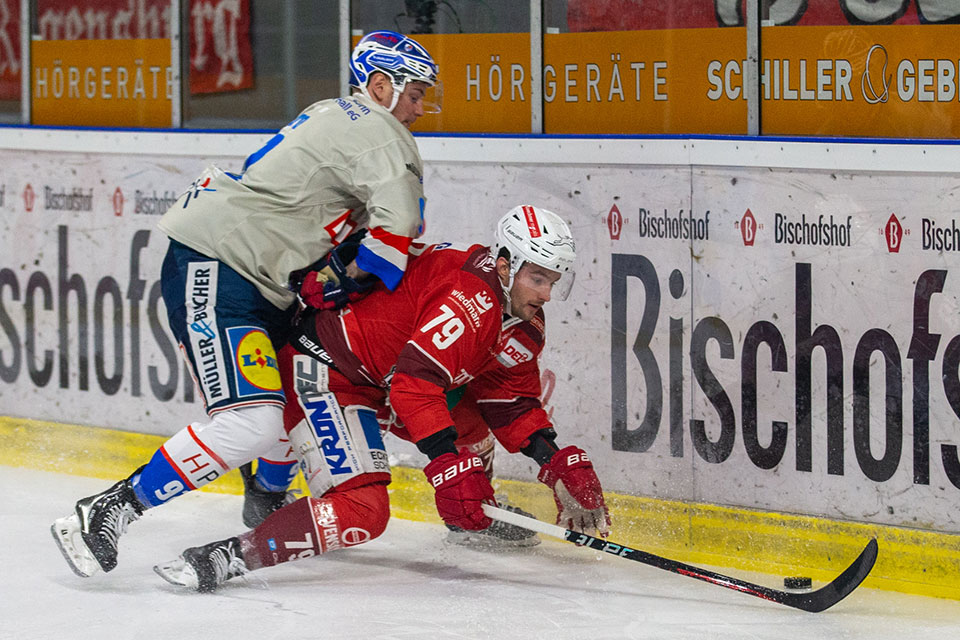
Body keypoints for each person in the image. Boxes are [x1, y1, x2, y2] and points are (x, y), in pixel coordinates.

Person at [50, 30, 440, 579]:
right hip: (223, 269)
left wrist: (335, 273)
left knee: (287, 402)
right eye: (415, 94)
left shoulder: (339, 115)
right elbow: (396, 235)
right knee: (250, 423)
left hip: (253, 276)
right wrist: (344, 282)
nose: (421, 109)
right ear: (380, 85)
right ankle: (110, 508)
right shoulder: (381, 132)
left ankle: (266, 491)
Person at [153, 205, 611, 592]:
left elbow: (509, 400)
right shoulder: (472, 300)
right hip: (325, 369)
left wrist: (554, 463)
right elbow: (416, 386)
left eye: (555, 281)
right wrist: (448, 469)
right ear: (507, 263)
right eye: (538, 278)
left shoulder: (522, 321)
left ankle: (468, 513)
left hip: (381, 379)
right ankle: (225, 556)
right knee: (364, 513)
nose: (547, 294)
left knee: (471, 420)